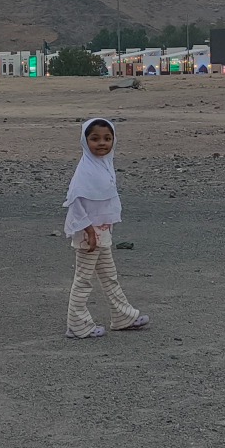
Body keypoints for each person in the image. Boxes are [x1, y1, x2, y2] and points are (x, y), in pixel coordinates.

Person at [62, 117, 149, 339]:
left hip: (102, 232)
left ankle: (123, 316)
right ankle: (77, 324)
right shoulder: (85, 171)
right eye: (95, 139)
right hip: (88, 235)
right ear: (85, 141)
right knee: (83, 280)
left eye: (107, 138)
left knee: (109, 275)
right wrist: (89, 231)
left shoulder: (104, 167)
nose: (102, 143)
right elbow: (77, 202)